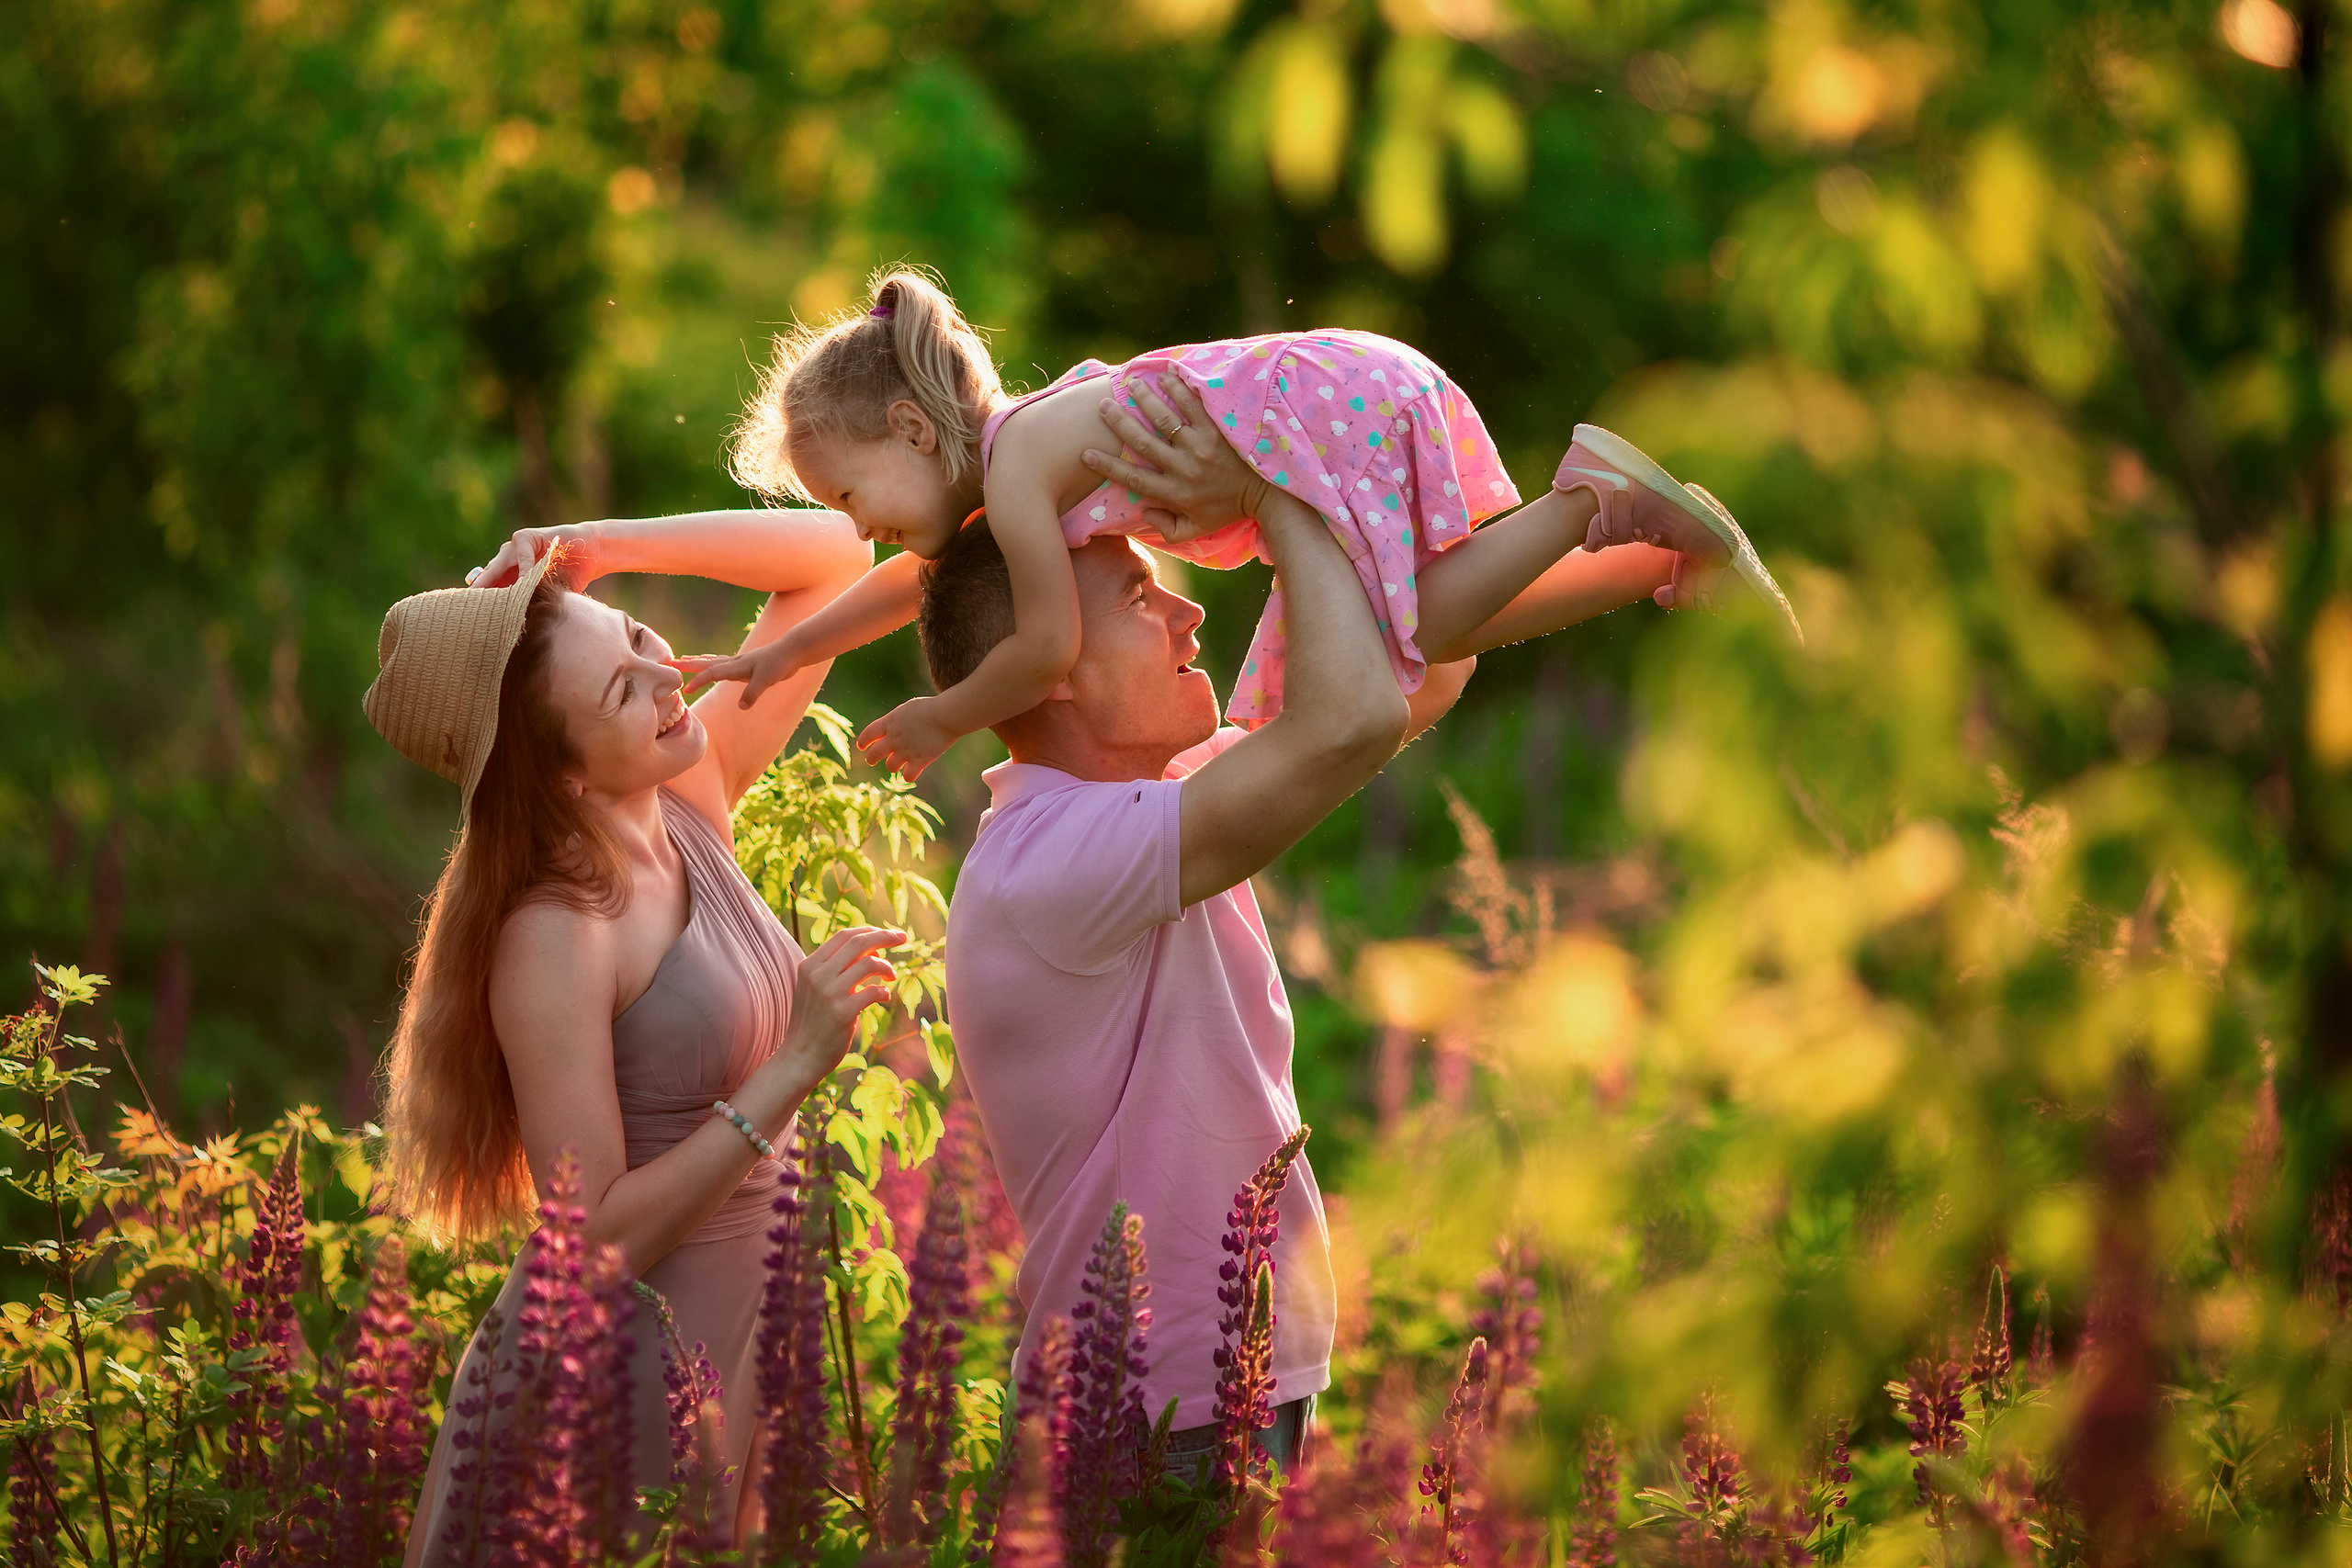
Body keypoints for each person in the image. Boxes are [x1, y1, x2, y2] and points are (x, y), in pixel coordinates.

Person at [911, 371, 1721, 1468]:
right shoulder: (1052, 861)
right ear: (1050, 670)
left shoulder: (1138, 807)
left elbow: (1413, 673)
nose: (1191, 609)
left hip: (1211, 1386)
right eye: (1144, 600)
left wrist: (1646, 550)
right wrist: (1280, 478)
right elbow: (1346, 719)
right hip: (1150, 1406)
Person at [684, 265, 1794, 780]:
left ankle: (1594, 496)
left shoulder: (1022, 470)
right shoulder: (1012, 465)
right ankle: (1647, 547)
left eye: (845, 497)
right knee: (1442, 633)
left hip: (1324, 420)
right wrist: (786, 649)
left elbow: (1045, 646)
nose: (860, 531)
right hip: (1349, 389)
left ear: (912, 432)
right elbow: (911, 586)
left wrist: (944, 714)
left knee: (1430, 633)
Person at [368, 508, 903, 1561]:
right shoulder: (557, 935)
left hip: (732, 1366)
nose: (671, 682)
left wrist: (590, 547)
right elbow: (591, 1243)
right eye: (623, 686)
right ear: (561, 774)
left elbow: (842, 557)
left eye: (639, 637)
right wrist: (794, 1063)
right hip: (610, 1404)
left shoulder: (684, 798)